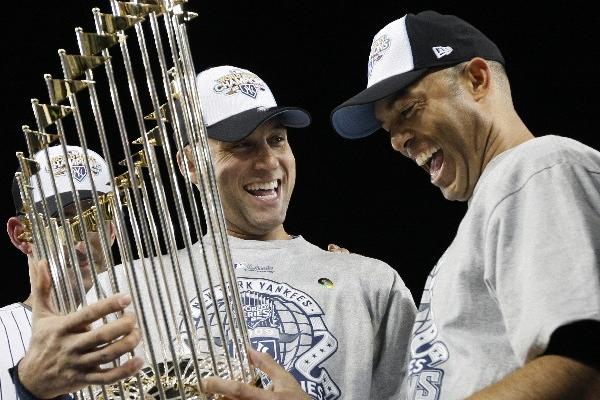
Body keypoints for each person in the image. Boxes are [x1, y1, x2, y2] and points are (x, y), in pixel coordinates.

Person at [99, 65, 416, 400]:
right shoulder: (123, 291)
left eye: (277, 139)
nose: (268, 161)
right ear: (190, 164)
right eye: (241, 145)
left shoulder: (370, 283)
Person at [330, 10, 600, 399]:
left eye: (407, 110)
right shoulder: (494, 207)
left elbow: (582, 363)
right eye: (389, 129)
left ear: (477, 80)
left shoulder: (537, 167)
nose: (396, 141)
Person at [2, 145, 142, 400]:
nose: (80, 242)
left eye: (93, 217)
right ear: (21, 235)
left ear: (111, 230)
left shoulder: (150, 324)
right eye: (62, 220)